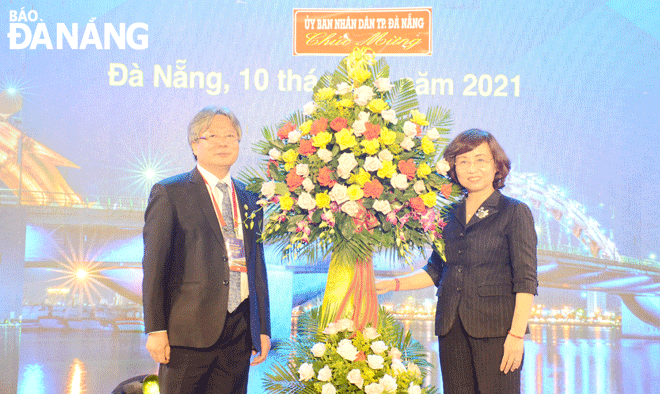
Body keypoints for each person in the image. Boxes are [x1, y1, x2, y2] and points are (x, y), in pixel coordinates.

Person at [376, 129, 537, 394]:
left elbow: (526, 280)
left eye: (480, 160)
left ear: (496, 165)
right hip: (452, 328)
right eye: (463, 161)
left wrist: (516, 336)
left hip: (497, 331)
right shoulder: (448, 213)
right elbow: (436, 269)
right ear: (454, 168)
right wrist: (392, 284)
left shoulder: (514, 211)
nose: (471, 168)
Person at [142, 106, 271, 394]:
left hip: (239, 330)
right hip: (187, 333)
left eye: (230, 136)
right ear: (194, 144)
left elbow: (256, 265)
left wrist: (261, 327)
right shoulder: (170, 192)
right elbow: (154, 268)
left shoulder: (250, 198)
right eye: (212, 136)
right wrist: (155, 329)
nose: (223, 142)